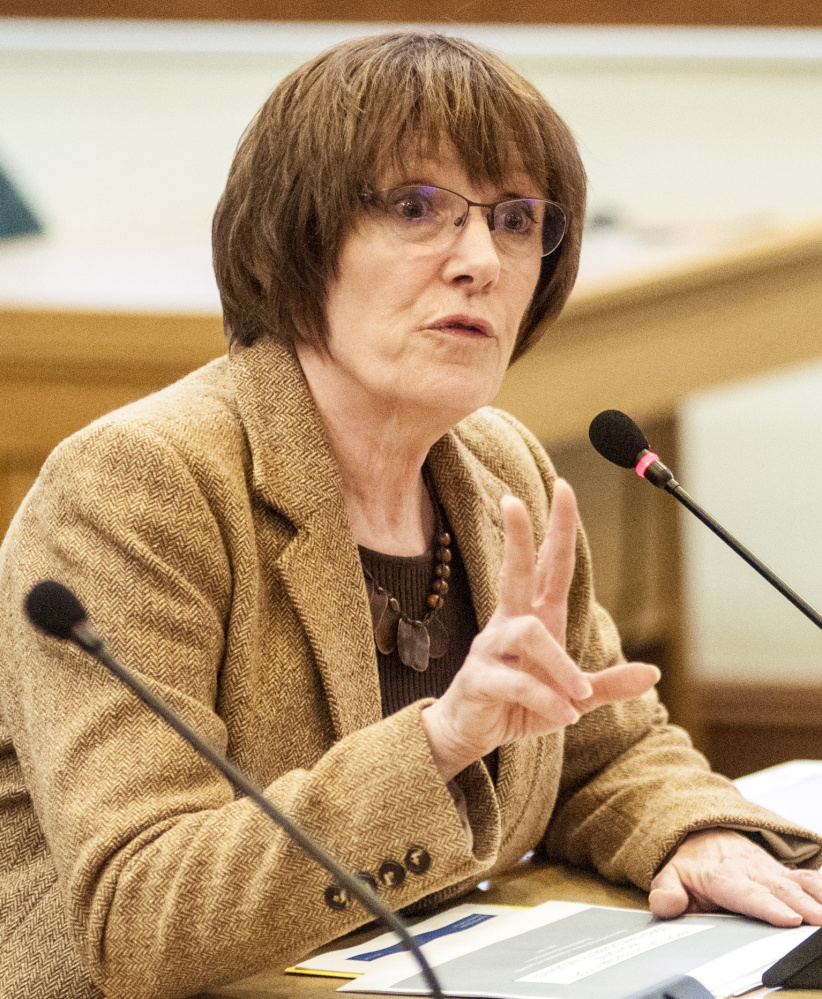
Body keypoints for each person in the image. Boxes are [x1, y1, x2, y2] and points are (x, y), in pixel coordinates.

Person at [0, 31, 820, 999]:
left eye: (518, 219)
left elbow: (604, 749)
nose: (480, 258)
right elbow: (136, 912)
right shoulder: (140, 487)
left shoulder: (497, 466)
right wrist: (439, 744)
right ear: (291, 240)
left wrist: (699, 830)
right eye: (415, 208)